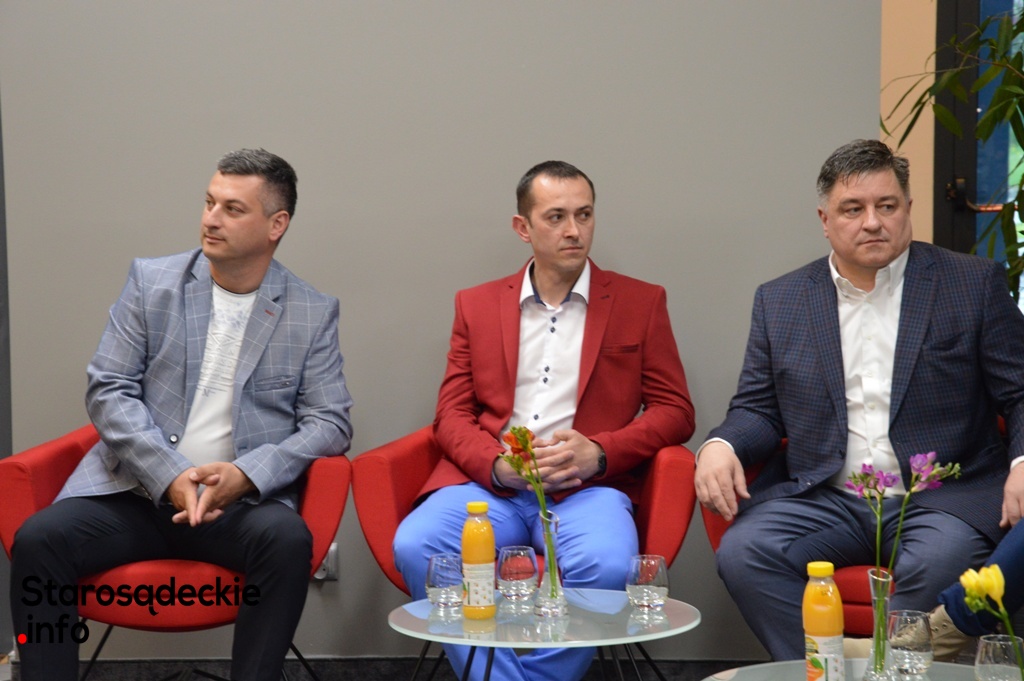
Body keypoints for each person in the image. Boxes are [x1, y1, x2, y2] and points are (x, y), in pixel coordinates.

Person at [10, 148, 354, 681]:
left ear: (276, 225)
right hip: (134, 494)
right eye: (209, 202)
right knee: (39, 540)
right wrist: (168, 473)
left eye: (233, 209)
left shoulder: (310, 311)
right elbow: (108, 388)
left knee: (287, 540)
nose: (211, 219)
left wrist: (247, 475)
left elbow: (330, 422)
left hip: (236, 506)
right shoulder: (153, 282)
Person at [694, 139, 1024, 660]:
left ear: (908, 209)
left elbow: (1020, 392)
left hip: (942, 499)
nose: (872, 222)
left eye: (886, 206)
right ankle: (816, 670)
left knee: (934, 563)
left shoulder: (971, 284)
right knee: (745, 552)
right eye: (853, 209)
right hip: (827, 496)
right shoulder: (781, 299)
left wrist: (1023, 462)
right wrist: (721, 446)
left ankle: (892, 673)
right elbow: (758, 408)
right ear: (825, 220)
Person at [393, 160, 694, 681]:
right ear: (523, 227)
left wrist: (600, 452)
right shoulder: (476, 304)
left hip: (587, 490)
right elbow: (452, 413)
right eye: (556, 217)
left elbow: (676, 410)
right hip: (489, 488)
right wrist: (497, 465)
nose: (574, 230)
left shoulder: (641, 301)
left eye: (584, 215)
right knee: (417, 545)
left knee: (606, 562)